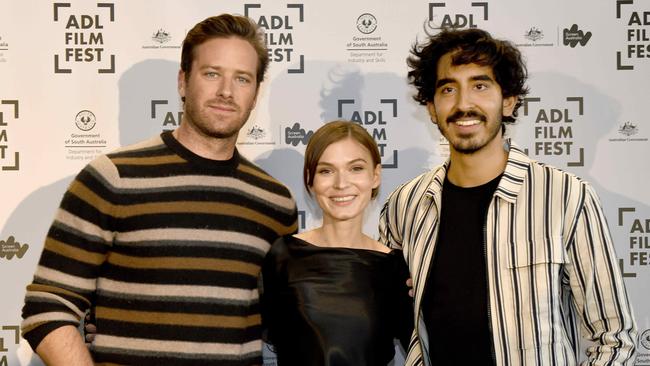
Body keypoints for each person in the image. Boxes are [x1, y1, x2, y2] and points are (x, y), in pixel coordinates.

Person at [21, 14, 297, 365]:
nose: (226, 91)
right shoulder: (112, 178)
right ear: (183, 82)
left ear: (256, 94)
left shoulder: (274, 202)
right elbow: (48, 306)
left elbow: (283, 319)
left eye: (242, 79)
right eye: (212, 74)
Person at [380, 27, 637, 365]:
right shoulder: (406, 206)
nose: (463, 104)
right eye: (448, 89)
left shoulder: (565, 197)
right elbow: (393, 320)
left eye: (480, 85)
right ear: (431, 107)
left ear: (509, 100)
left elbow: (614, 338)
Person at [261, 121, 413, 365]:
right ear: (310, 180)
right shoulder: (282, 256)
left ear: (375, 176)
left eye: (356, 168)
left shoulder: (396, 268)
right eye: (326, 171)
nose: (341, 183)